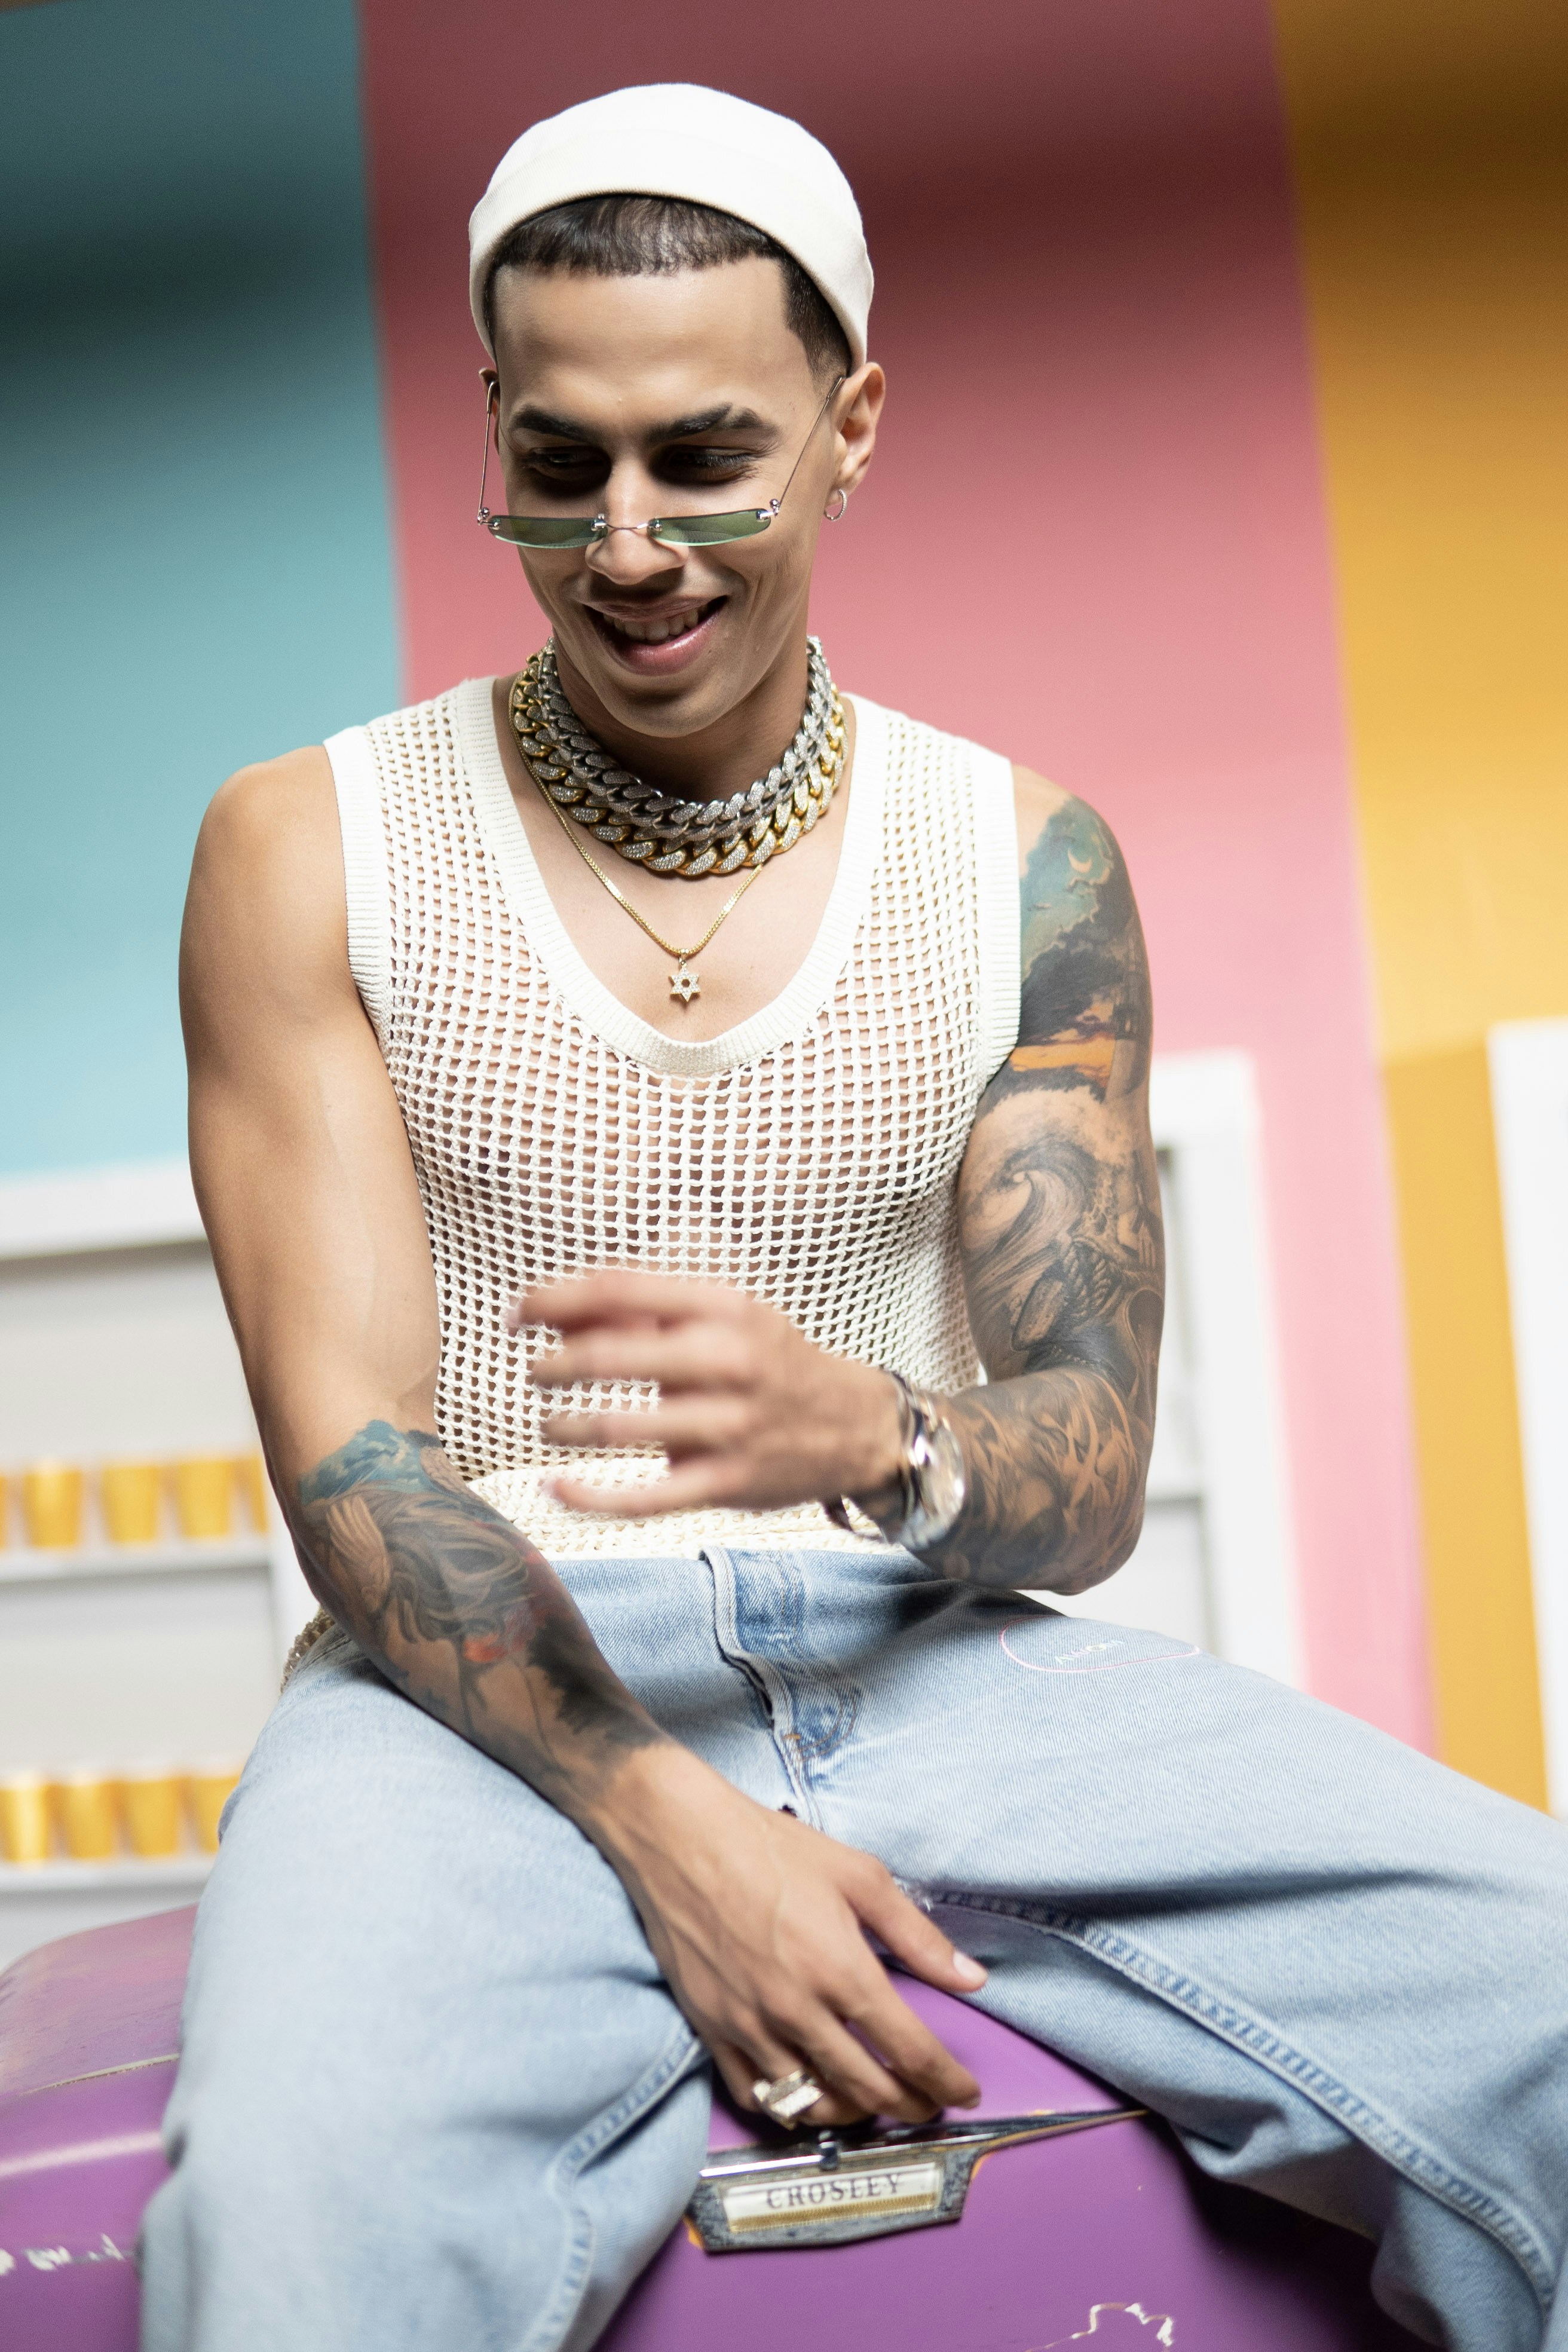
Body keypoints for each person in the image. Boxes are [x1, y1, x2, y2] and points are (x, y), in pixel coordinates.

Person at [142, 82, 1566, 2352]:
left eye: (703, 458)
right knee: (302, 2244)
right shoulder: (306, 844)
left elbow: (1087, 1457)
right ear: (493, 422)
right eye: (558, 459)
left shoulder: (1026, 862)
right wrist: (680, 1840)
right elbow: (356, 1468)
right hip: (479, 1696)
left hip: (934, 1650)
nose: (625, 542)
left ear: (850, 423)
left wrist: (881, 1438)